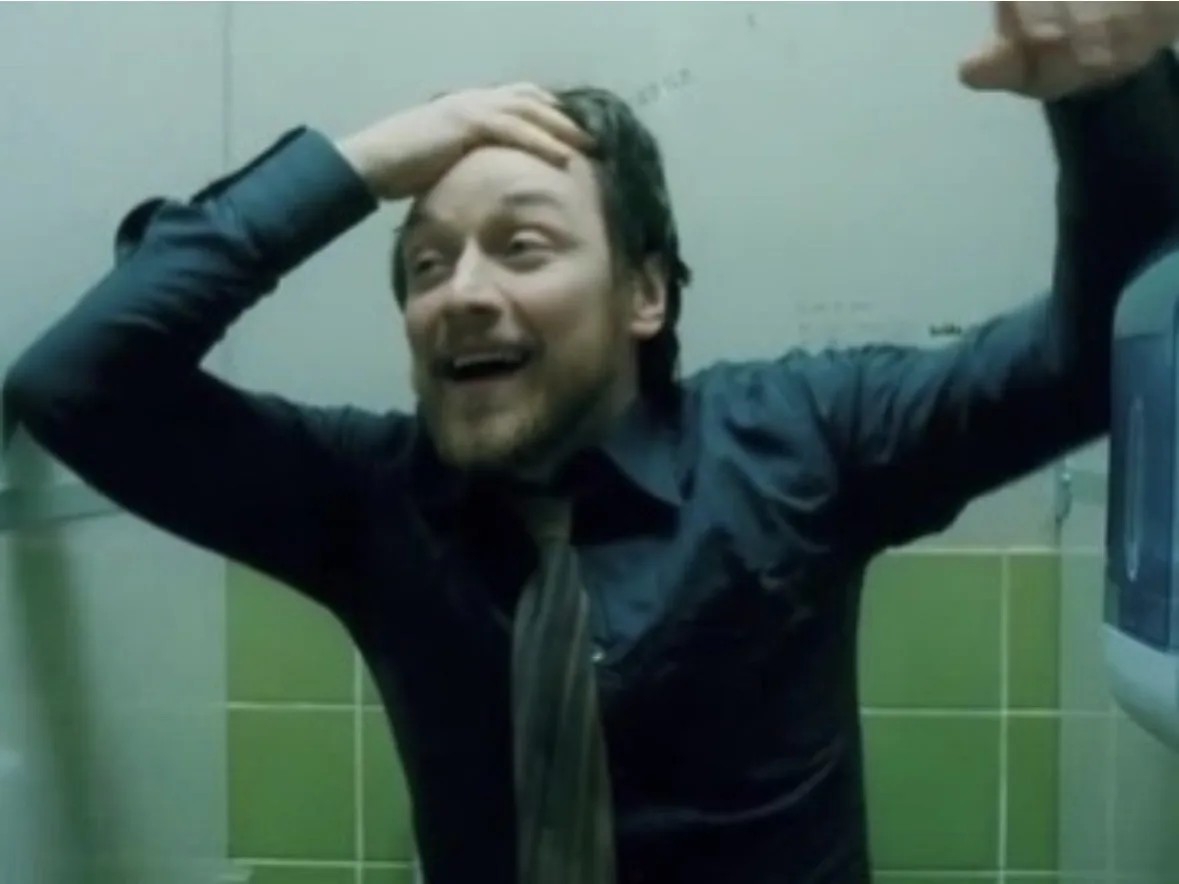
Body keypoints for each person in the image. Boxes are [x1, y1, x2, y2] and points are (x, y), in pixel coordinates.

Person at [7, 4, 1179, 883]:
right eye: (426, 262)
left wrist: (1110, 93)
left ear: (645, 294)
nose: (461, 293)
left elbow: (1093, 366)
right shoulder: (363, 502)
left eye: (521, 245)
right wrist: (355, 167)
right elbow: (75, 385)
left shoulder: (806, 441)